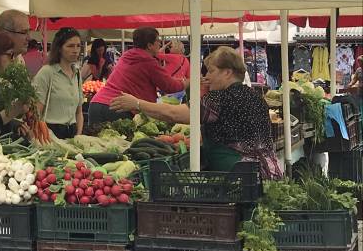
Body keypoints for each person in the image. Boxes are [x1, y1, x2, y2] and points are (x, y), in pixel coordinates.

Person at [110, 46, 283, 180]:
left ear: (227, 72)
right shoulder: (255, 95)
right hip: (266, 170)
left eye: (212, 71)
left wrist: (137, 103)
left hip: (237, 175)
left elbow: (174, 114)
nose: (207, 75)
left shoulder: (220, 98)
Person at [88, 28, 188, 126]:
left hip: (96, 104)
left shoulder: (127, 55)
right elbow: (169, 86)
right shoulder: (148, 62)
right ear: (149, 45)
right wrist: (190, 82)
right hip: (119, 108)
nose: (160, 44)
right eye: (157, 41)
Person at [33, 28, 84, 139]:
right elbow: (36, 111)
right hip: (50, 133)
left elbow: (79, 112)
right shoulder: (47, 72)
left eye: (78, 46)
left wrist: (78, 135)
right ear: (59, 48)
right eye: (70, 46)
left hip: (72, 133)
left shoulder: (77, 73)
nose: (75, 50)